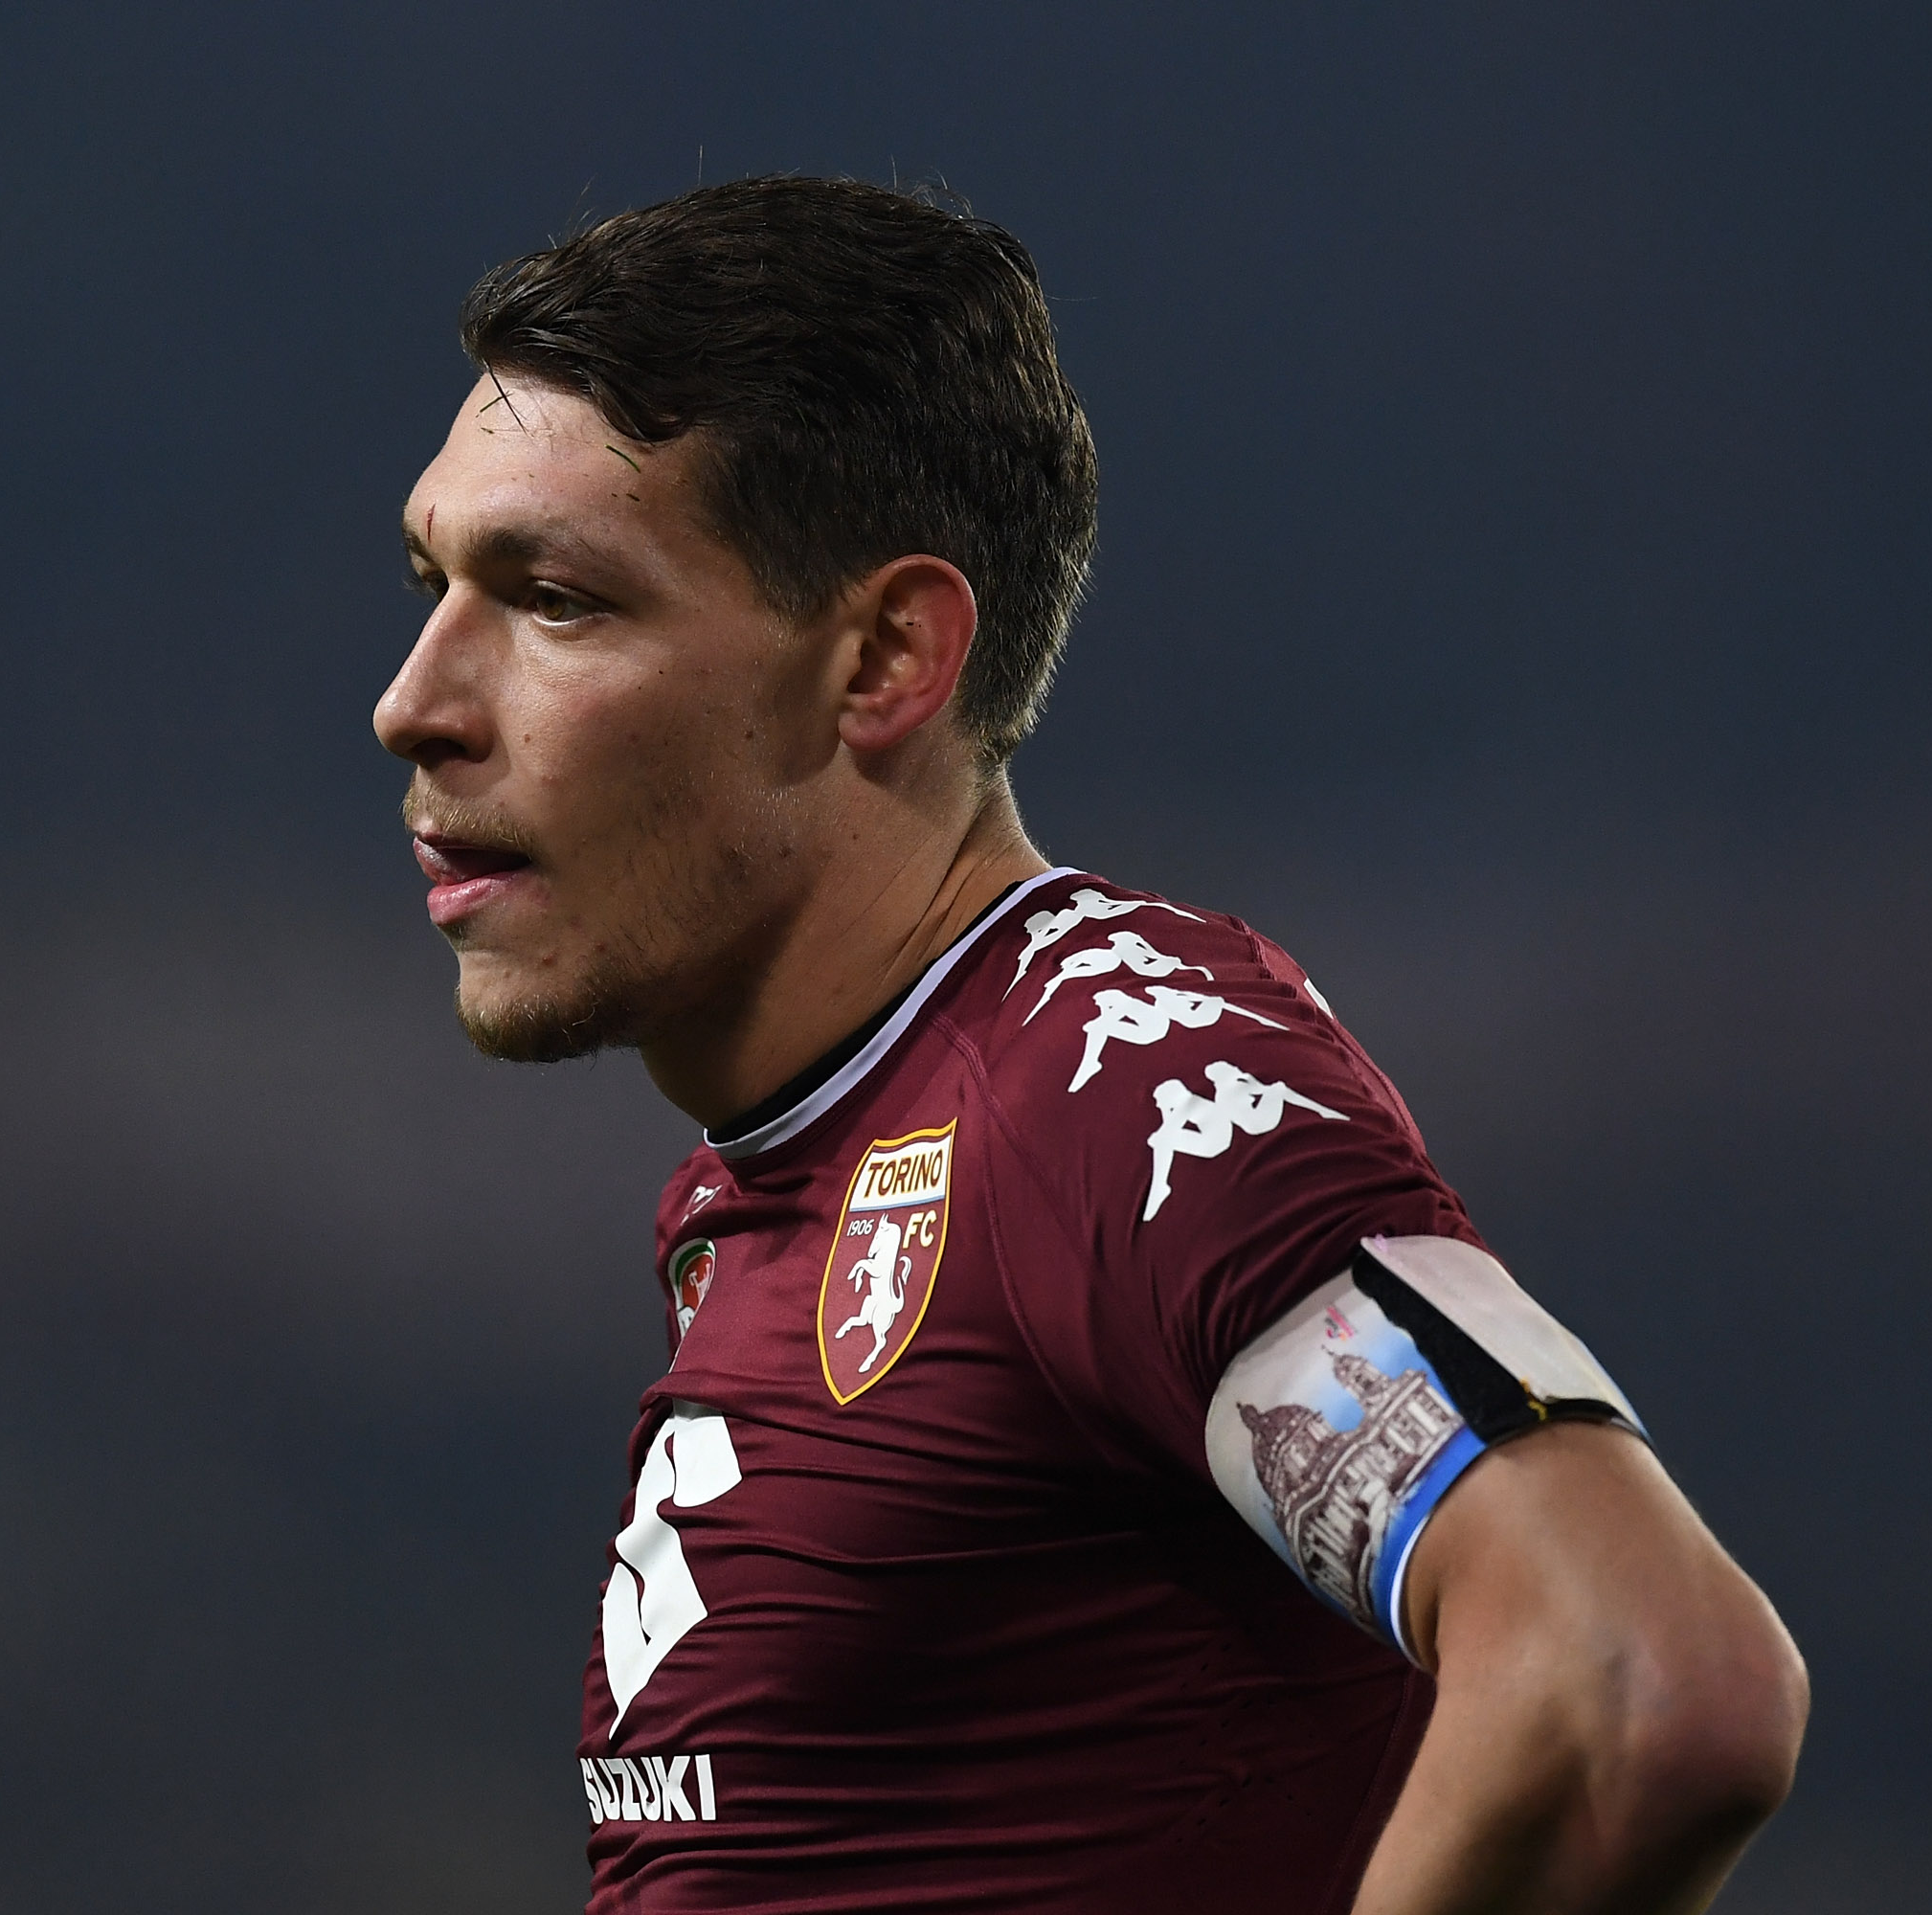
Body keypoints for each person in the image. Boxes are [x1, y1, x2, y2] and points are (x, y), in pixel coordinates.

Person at [372, 175, 1806, 1914]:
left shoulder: (1110, 1076)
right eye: (436, 577)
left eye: (559, 597)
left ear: (888, 655)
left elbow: (1643, 1687)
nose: (416, 702)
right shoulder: (791, 1177)